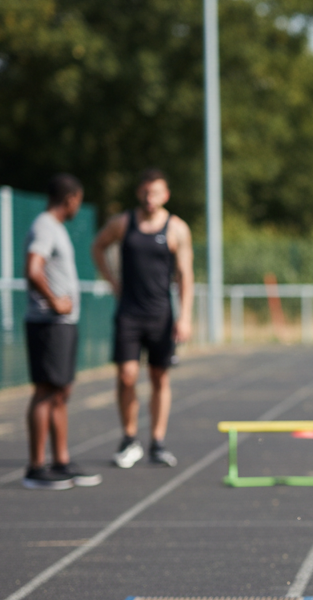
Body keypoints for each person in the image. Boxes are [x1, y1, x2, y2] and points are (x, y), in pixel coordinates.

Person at [91, 169, 193, 468]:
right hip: (129, 313)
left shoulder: (177, 229)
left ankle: (158, 442)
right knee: (127, 376)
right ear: (139, 193)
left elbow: (186, 276)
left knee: (159, 377)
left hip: (161, 314)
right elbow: (98, 246)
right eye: (146, 193)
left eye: (156, 193)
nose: (150, 199)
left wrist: (185, 317)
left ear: (166, 195)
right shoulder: (123, 223)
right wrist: (112, 282)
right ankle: (129, 438)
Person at [22, 174, 102, 490]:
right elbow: (32, 269)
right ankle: (35, 467)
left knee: (61, 391)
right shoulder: (44, 226)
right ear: (70, 199)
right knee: (45, 391)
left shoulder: (55, 228)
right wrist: (54, 300)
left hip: (62, 325)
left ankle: (61, 460)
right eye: (78, 201)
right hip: (48, 323)